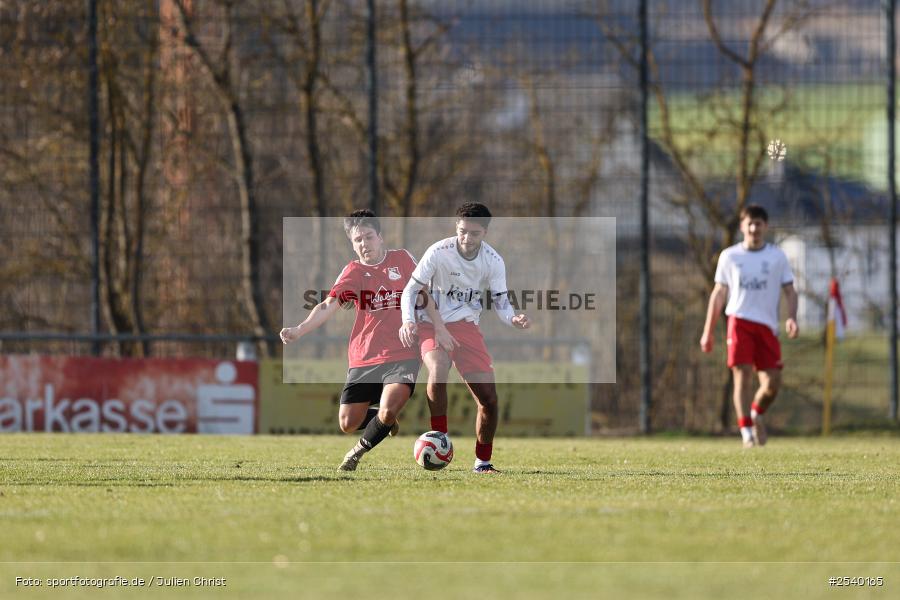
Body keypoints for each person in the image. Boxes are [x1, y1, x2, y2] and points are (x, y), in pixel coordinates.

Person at [280, 210, 446, 471]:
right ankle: (382, 420)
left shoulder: (402, 259)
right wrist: (299, 329)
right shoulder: (353, 271)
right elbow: (328, 304)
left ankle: (356, 454)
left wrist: (439, 328)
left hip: (402, 353)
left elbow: (424, 295)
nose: (364, 244)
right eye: (358, 240)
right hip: (364, 355)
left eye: (368, 237)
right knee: (347, 423)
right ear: (352, 243)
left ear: (380, 237)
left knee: (389, 408)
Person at [400, 203, 530, 474]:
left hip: (467, 328)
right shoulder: (438, 252)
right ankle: (440, 440)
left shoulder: (493, 261)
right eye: (462, 231)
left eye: (474, 233)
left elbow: (501, 301)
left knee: (489, 400)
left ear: (485, 233)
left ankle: (483, 463)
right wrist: (408, 321)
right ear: (456, 228)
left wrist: (513, 318)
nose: (466, 238)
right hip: (431, 325)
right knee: (437, 369)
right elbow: (411, 290)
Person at [700, 204, 799, 448]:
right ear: (743, 226)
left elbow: (790, 290)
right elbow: (719, 294)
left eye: (759, 223)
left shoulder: (777, 256)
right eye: (750, 223)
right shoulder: (730, 256)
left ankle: (756, 414)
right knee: (741, 375)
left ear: (765, 227)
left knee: (772, 384)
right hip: (739, 321)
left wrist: (792, 317)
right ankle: (746, 433)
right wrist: (708, 331)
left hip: (766, 325)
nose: (754, 228)